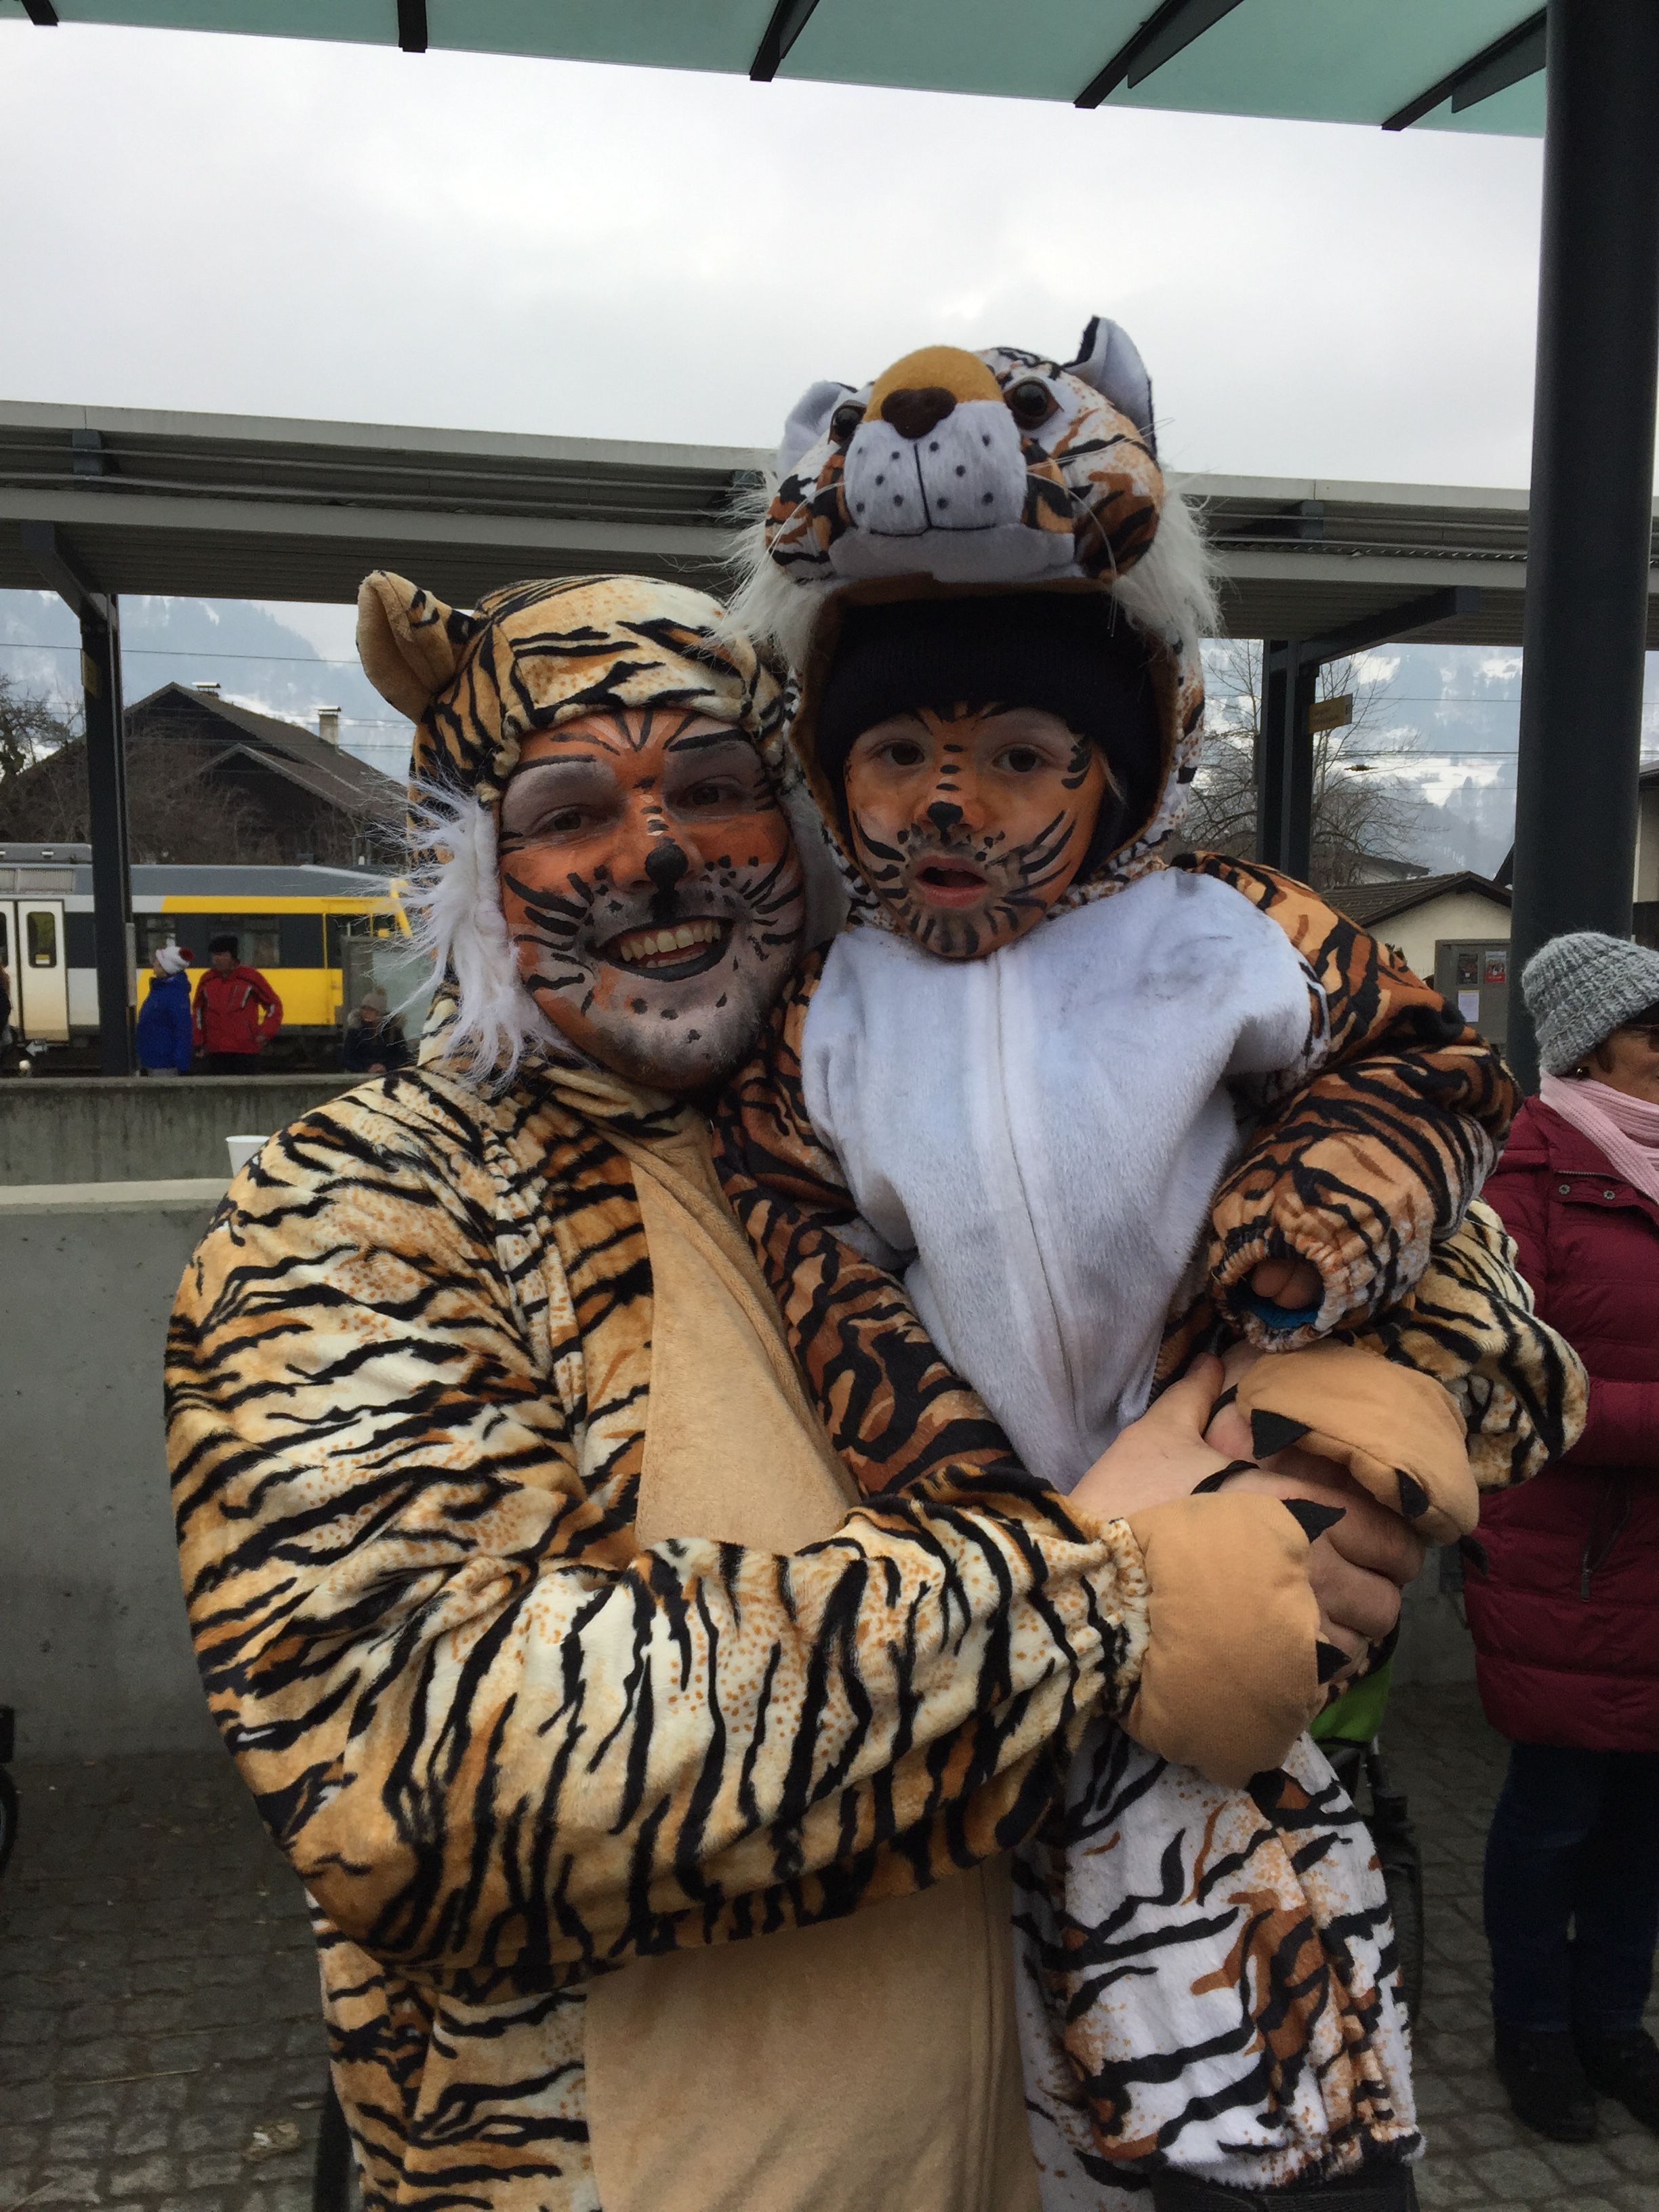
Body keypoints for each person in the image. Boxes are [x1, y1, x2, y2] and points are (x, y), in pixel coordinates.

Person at [167, 571, 1421, 2212]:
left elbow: (1428, 1241)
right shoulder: (369, 1201)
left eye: (712, 789)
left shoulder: (892, 1090)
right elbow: (408, 1775)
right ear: (480, 877)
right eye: (569, 813)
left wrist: (1354, 1440)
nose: (655, 855)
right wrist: (1104, 1596)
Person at [716, 321, 1584, 2209]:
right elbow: (806, 1248)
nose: (952, 803)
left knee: (1253, 1968)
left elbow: (1422, 1069)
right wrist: (951, 1492)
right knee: (1029, 2009)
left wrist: (1313, 1233)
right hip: (1002, 1580)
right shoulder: (829, 1008)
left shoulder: (1221, 930)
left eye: (1020, 756)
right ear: (831, 771)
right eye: (899, 754)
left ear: (1119, 761)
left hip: (1231, 1501)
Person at [1465, 932, 1659, 2145]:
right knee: (1553, 1815)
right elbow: (1508, 1383)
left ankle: (1614, 2026)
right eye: (1655, 1035)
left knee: (1645, 1823)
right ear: (1589, 1049)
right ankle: (1531, 2029)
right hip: (1569, 1561)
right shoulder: (1520, 1177)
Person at [192, 932, 281, 1073]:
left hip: (246, 1051)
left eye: (222, 955)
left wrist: (266, 1032)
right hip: (216, 1050)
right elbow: (197, 1011)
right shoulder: (207, 980)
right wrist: (199, 1041)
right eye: (215, 955)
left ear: (233, 956)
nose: (217, 959)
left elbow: (274, 1005)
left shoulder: (251, 977)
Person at [136, 941, 193, 1076]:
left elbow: (183, 1029)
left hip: (164, 1063)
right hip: (152, 1060)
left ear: (166, 967)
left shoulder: (174, 994)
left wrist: (181, 1065)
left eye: (157, 961)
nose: (154, 963)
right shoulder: (161, 990)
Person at [340, 984, 410, 1075]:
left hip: (389, 1076)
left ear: (380, 1013)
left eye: (371, 1009)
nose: (366, 1012)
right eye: (364, 1008)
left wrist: (385, 1067)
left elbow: (403, 1057)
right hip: (360, 1076)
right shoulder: (356, 1031)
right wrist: (367, 1068)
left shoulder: (392, 1030)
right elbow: (346, 1059)